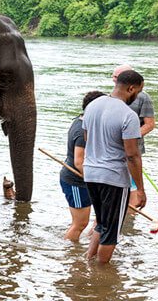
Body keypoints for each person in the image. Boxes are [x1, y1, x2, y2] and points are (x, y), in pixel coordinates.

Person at [83, 69, 146, 264]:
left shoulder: (92, 106)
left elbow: (88, 141)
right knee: (111, 232)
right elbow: (132, 155)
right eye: (138, 92)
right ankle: (100, 279)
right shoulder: (129, 115)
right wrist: (140, 190)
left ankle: (88, 261)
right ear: (130, 88)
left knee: (101, 223)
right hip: (114, 179)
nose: (137, 97)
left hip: (90, 173)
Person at [60, 91, 104, 241]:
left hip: (85, 179)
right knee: (80, 224)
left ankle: (88, 243)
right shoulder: (82, 131)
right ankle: (70, 253)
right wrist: (94, 184)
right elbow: (79, 162)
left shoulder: (81, 120)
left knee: (100, 216)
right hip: (76, 181)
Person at [112, 64, 155, 207]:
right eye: (114, 77)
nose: (114, 81)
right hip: (115, 151)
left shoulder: (143, 97)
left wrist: (129, 136)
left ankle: (129, 221)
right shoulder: (112, 96)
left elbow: (149, 125)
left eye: (116, 77)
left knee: (132, 187)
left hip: (133, 151)